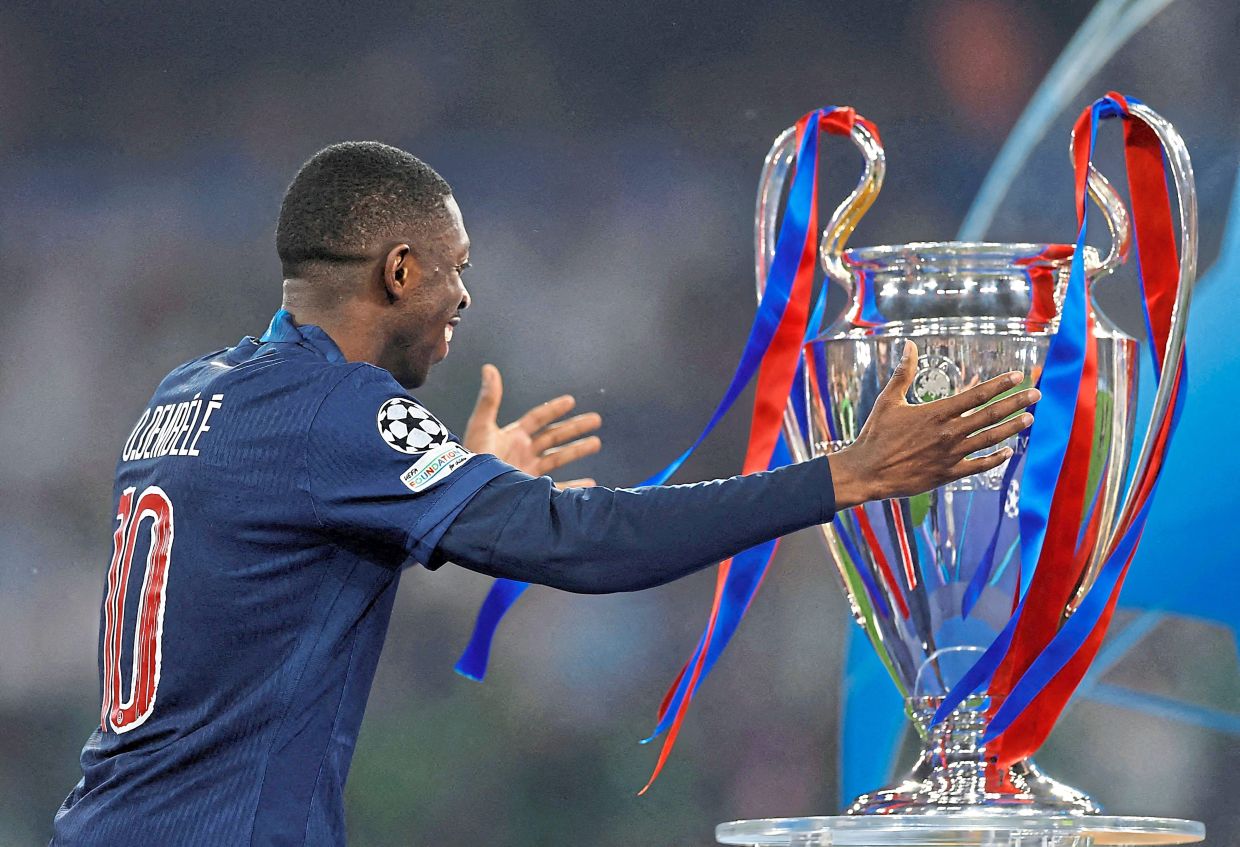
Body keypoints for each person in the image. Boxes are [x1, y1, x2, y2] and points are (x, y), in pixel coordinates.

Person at [51, 142, 1037, 846]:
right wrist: (845, 474)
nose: (465, 300)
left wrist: (460, 485)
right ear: (399, 270)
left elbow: (261, 574)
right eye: (455, 271)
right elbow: (585, 542)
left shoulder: (183, 393)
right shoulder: (334, 415)